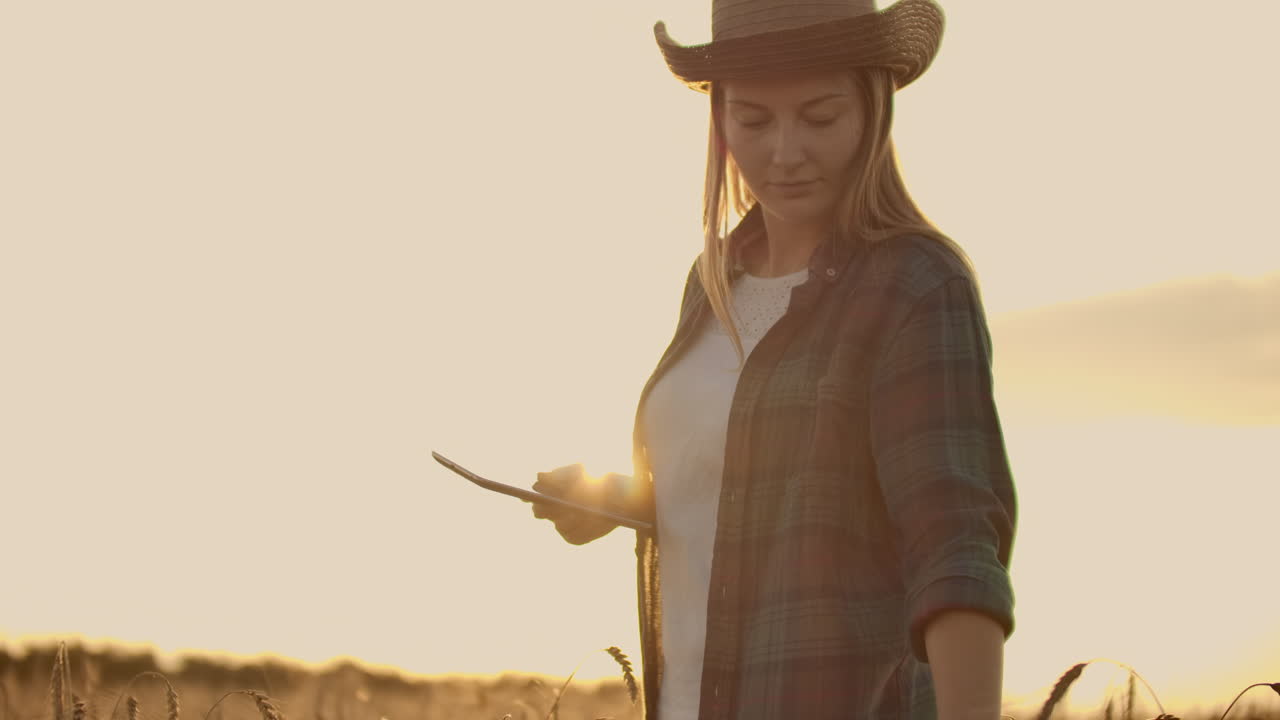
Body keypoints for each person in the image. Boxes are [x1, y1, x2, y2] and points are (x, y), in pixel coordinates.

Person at [526, 1, 1017, 718]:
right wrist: (623, 500)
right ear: (720, 121)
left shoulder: (915, 286)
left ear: (872, 109)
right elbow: (762, 490)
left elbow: (954, 545)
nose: (785, 151)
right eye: (754, 121)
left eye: (818, 117)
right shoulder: (712, 282)